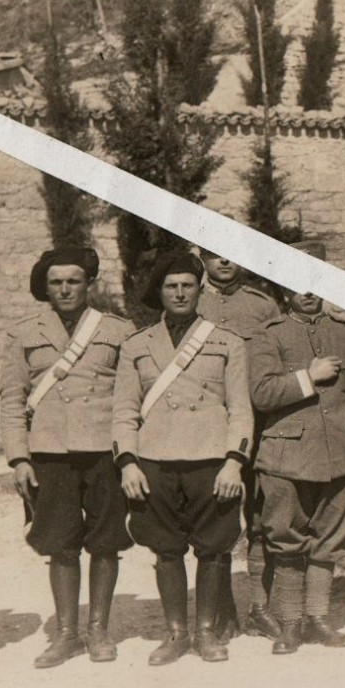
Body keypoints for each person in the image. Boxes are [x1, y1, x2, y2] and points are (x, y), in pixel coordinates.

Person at [113, 251, 254, 665]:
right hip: (155, 460)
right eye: (171, 286)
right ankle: (177, 633)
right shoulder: (137, 345)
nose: (179, 293)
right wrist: (128, 462)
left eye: (187, 286)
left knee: (213, 548)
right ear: (159, 293)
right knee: (166, 548)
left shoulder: (226, 342)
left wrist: (234, 461)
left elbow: (241, 408)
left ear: (200, 290)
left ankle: (207, 632)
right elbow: (123, 410)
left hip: (211, 461)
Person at [0, 247, 136, 667]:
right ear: (46, 286)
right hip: (49, 451)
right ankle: (65, 634)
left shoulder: (119, 330)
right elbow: (11, 399)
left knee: (106, 542)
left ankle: (97, 630)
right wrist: (19, 458)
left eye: (73, 281)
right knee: (60, 544)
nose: (64, 288)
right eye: (56, 282)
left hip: (103, 451)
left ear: (88, 284)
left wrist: (129, 454)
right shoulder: (23, 334)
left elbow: (133, 395)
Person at [247, 241, 345, 654]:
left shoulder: (344, 333)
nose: (306, 291)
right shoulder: (268, 334)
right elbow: (261, 393)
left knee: (330, 540)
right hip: (286, 457)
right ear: (284, 289)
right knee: (286, 541)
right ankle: (289, 623)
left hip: (341, 454)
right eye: (295, 282)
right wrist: (308, 376)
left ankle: (318, 620)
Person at [196, 249, 283, 639]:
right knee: (217, 516)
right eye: (214, 255)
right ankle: (221, 608)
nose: (224, 262)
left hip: (261, 425)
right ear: (201, 257)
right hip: (213, 428)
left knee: (262, 517)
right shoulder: (189, 299)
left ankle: (261, 608)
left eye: (231, 253)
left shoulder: (262, 305)